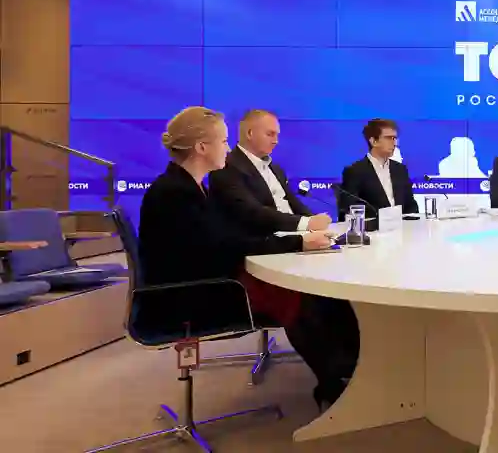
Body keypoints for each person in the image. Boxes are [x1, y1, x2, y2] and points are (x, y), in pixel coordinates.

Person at [137, 107, 358, 409]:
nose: (228, 149)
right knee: (295, 294)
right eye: (223, 141)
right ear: (201, 147)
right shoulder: (174, 193)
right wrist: (298, 242)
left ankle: (345, 369)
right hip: (187, 296)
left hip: (208, 280)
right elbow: (224, 248)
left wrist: (296, 241)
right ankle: (334, 385)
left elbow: (223, 243)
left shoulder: (189, 186)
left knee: (310, 293)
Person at [208, 109, 332, 234]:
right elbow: (251, 212)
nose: (276, 141)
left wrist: (316, 223)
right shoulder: (226, 167)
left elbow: (294, 203)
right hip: (267, 239)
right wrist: (305, 223)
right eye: (270, 134)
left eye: (277, 135)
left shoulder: (276, 169)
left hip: (297, 233)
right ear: (250, 133)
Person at [339, 118, 420, 220]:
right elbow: (350, 209)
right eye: (389, 138)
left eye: (395, 138)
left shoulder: (400, 169)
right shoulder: (354, 171)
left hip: (402, 227)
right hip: (372, 228)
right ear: (374, 141)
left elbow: (411, 206)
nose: (394, 143)